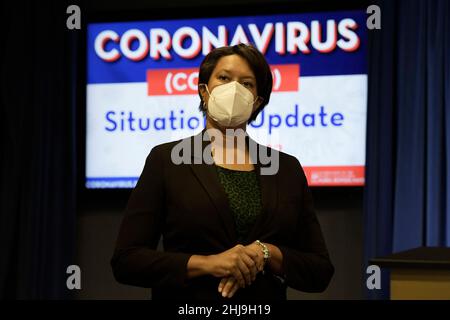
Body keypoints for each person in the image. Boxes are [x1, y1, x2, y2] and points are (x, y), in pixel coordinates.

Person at [111, 44, 334, 300]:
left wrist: (267, 253)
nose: (234, 89)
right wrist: (209, 263)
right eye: (224, 78)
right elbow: (126, 261)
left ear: (257, 101)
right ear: (203, 91)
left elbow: (320, 270)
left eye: (247, 83)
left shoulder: (287, 169)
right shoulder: (166, 161)